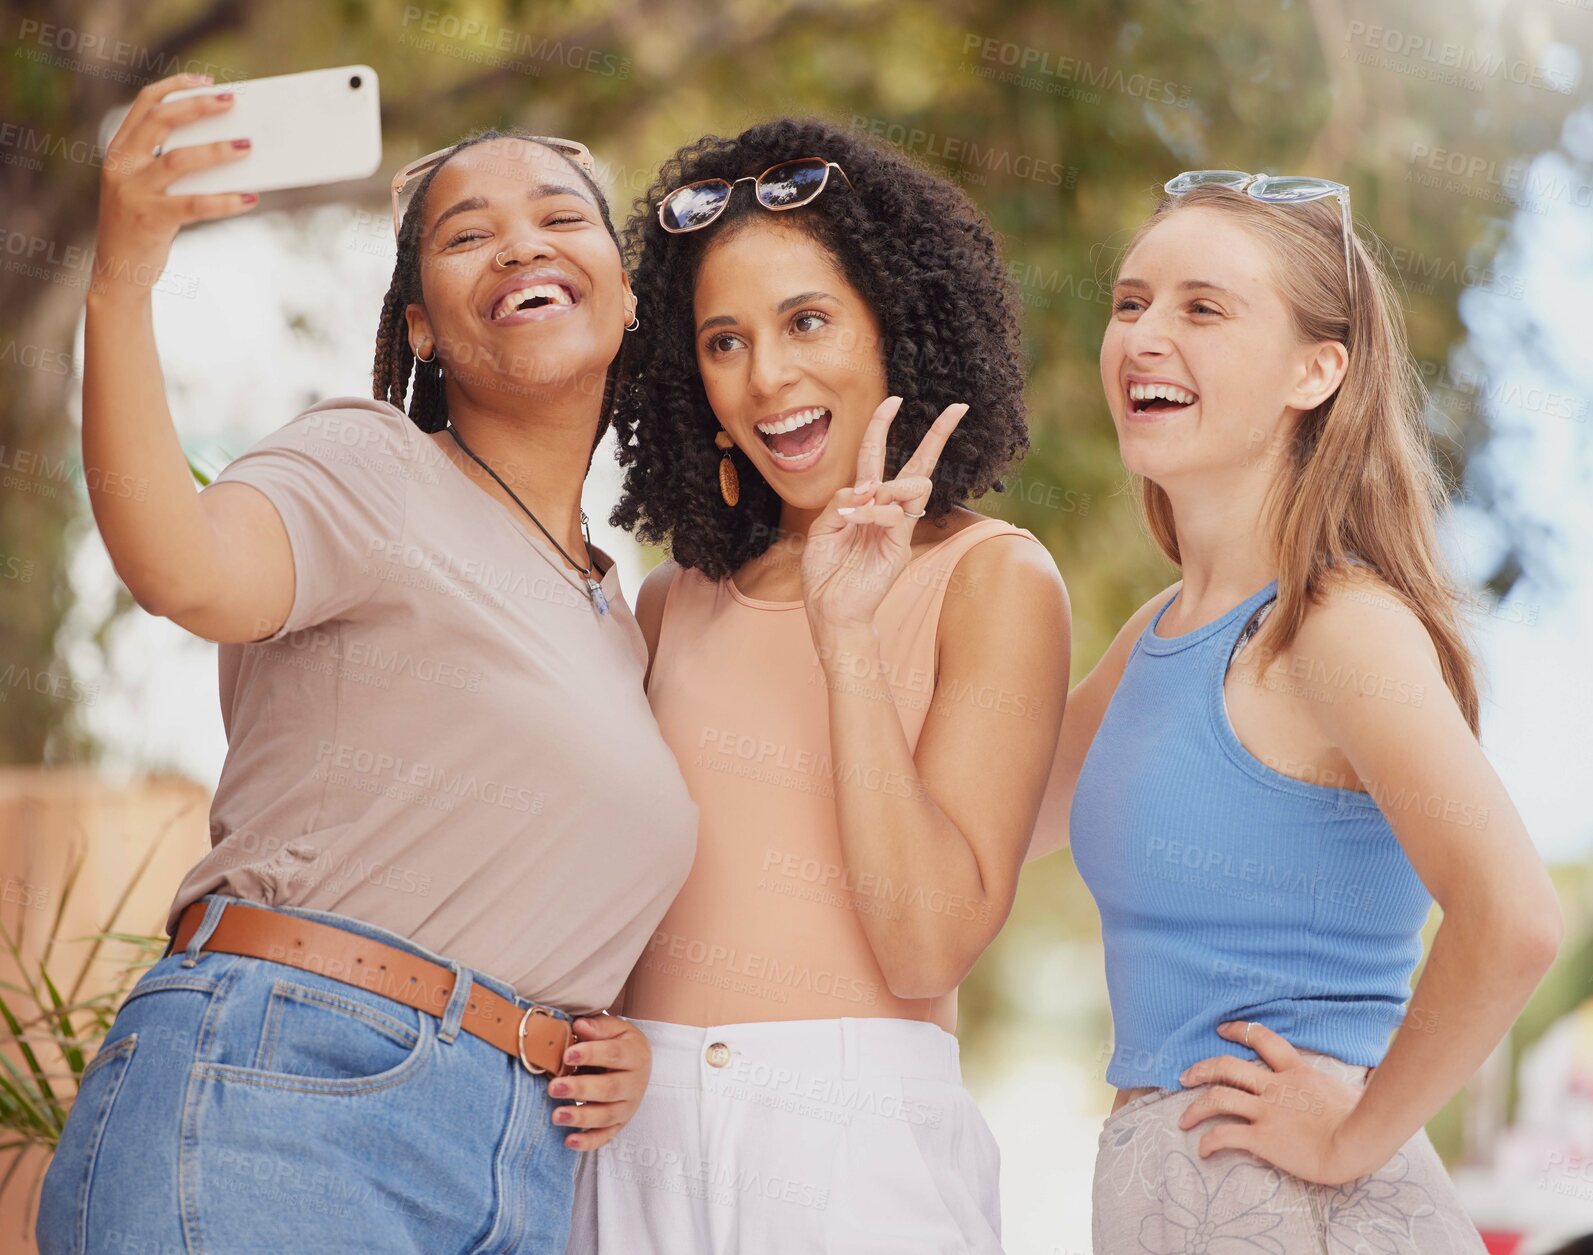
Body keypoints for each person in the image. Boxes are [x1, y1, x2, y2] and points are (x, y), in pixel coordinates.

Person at [38, 72, 696, 1255]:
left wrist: (605, 1039)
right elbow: (182, 565)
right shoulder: (374, 462)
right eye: (466, 234)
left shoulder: (620, 618)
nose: (518, 246)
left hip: (515, 1158)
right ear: (421, 326)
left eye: (560, 216)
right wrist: (124, 273)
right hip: (284, 1090)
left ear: (630, 294)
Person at [567, 118, 1070, 1254]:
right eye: (724, 341)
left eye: (806, 321)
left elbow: (925, 945)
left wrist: (848, 639)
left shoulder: (993, 578)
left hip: (852, 1156)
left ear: (897, 327)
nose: (770, 377)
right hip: (637, 1148)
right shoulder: (671, 601)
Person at [1058, 171, 1563, 1251]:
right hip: (1175, 1202)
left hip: (1305, 1210)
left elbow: (1515, 918)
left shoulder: (1336, 625)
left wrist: (1352, 1139)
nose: (1145, 333)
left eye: (1204, 307)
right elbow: (974, 827)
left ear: (1316, 369)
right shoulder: (1156, 636)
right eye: (1130, 301)